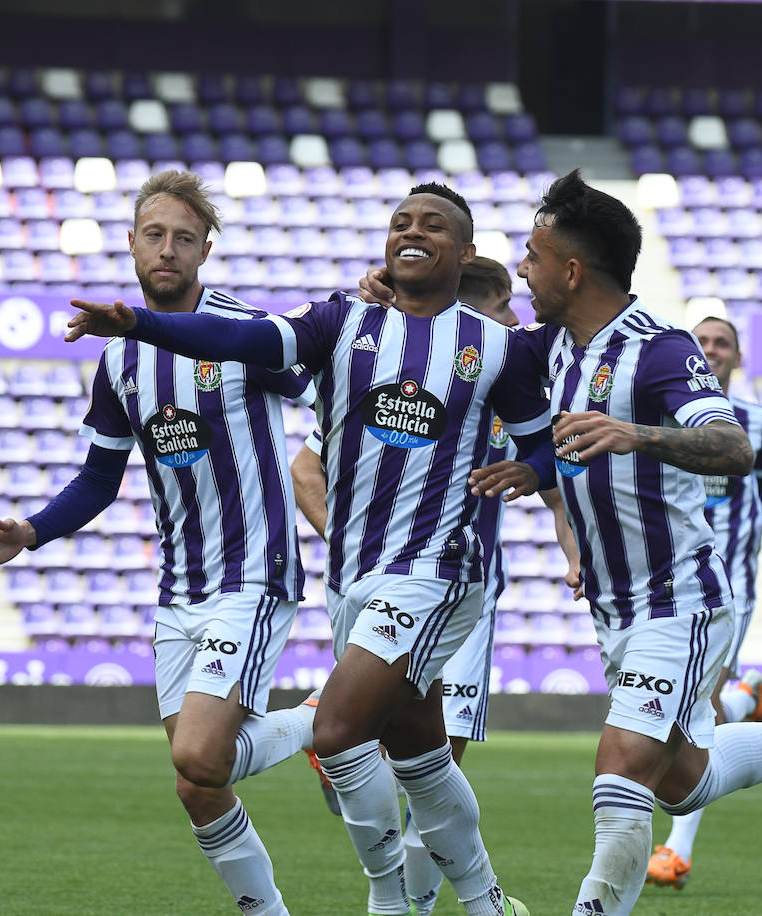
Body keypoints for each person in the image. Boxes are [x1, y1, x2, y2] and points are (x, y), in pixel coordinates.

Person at [66, 183, 548, 916]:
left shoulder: (498, 349)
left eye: (434, 225)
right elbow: (239, 339)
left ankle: (389, 898)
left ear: (467, 250)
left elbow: (547, 450)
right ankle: (484, 900)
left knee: (338, 729)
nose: (413, 232)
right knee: (420, 752)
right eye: (401, 222)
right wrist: (140, 326)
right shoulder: (342, 323)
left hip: (441, 570)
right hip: (354, 575)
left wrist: (533, 469)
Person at [471, 170, 762, 915]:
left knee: (620, 770)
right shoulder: (554, 345)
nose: (524, 271)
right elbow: (470, 343)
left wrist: (634, 432)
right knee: (683, 779)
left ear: (572, 270)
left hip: (679, 602)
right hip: (615, 608)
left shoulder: (660, 350)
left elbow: (730, 444)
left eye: (533, 257)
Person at [0, 170, 319, 916]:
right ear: (132, 244)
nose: (168, 250)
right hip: (180, 588)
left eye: (184, 239)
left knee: (198, 751)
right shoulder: (118, 360)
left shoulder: (242, 334)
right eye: (155, 236)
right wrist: (29, 532)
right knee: (197, 783)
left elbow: (324, 391)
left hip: (253, 572)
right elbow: (98, 480)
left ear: (205, 251)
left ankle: (325, 719)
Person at [292, 255, 578, 916]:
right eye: (506, 309)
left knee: (426, 754)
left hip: (461, 591)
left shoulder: (505, 382)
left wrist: (575, 554)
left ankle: (459, 901)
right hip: (435, 587)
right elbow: (304, 469)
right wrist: (360, 546)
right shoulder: (392, 369)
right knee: (422, 752)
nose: (516, 323)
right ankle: (319, 724)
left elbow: (555, 488)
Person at [644, 315, 762, 892]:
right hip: (672, 576)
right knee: (691, 700)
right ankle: (747, 694)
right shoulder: (664, 412)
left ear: (736, 357)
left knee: (695, 705)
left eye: (721, 343)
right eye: (701, 341)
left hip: (732, 584)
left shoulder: (755, 421)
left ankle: (676, 850)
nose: (710, 350)